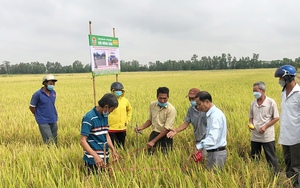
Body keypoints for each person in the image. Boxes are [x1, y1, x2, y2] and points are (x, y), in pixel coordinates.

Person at [80, 93, 119, 174]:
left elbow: (106, 134)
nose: (111, 112)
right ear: (106, 107)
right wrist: (95, 156)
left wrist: (113, 150)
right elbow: (83, 141)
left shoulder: (105, 116)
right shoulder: (89, 118)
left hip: (104, 157)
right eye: (112, 109)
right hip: (93, 160)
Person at [275, 65, 300, 187]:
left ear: (289, 77)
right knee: (288, 164)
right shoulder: (284, 92)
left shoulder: (299, 93)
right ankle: (291, 184)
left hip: (296, 137)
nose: (280, 80)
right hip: (285, 136)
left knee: (296, 166)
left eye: (281, 77)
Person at [248, 81, 280, 174]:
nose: (254, 93)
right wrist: (250, 124)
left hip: (267, 137)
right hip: (255, 136)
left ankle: (275, 175)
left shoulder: (271, 102)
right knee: (254, 157)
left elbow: (276, 117)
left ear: (262, 90)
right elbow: (251, 117)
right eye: (253, 91)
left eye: (255, 91)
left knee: (271, 157)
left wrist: (265, 126)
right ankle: (255, 173)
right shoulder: (253, 103)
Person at [135, 87, 176, 155]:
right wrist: (141, 128)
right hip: (154, 133)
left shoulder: (171, 109)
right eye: (160, 98)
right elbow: (150, 120)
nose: (162, 101)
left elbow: (167, 128)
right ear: (157, 97)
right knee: (150, 154)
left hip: (166, 135)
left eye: (165, 98)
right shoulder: (152, 105)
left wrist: (153, 141)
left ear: (168, 97)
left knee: (166, 156)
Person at [192, 91, 227, 170]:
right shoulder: (210, 115)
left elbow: (212, 138)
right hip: (212, 152)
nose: (197, 107)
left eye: (199, 104)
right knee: (210, 178)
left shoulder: (215, 116)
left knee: (215, 180)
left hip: (217, 154)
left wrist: (198, 147)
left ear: (207, 102)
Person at [29, 74, 58, 145]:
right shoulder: (37, 94)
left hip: (53, 119)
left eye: (53, 83)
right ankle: (50, 153)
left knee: (55, 139)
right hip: (43, 120)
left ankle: (55, 154)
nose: (53, 85)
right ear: (45, 83)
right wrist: (38, 115)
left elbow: (51, 104)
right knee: (49, 140)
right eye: (50, 83)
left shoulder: (53, 93)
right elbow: (32, 107)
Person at [108, 82, 132, 149]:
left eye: (120, 91)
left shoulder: (125, 101)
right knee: (111, 147)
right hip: (111, 128)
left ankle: (121, 158)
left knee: (121, 147)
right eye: (116, 91)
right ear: (112, 91)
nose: (118, 92)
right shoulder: (109, 100)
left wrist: (127, 120)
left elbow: (130, 110)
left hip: (122, 128)